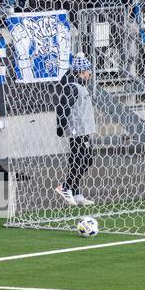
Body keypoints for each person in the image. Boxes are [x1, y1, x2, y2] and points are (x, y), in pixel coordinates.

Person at [54, 54, 96, 207]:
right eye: (87, 71)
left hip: (81, 130)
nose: (89, 74)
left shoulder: (79, 86)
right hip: (77, 131)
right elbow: (63, 108)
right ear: (80, 71)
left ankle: (76, 193)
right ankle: (65, 186)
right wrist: (60, 126)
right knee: (87, 159)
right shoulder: (72, 87)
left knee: (76, 161)